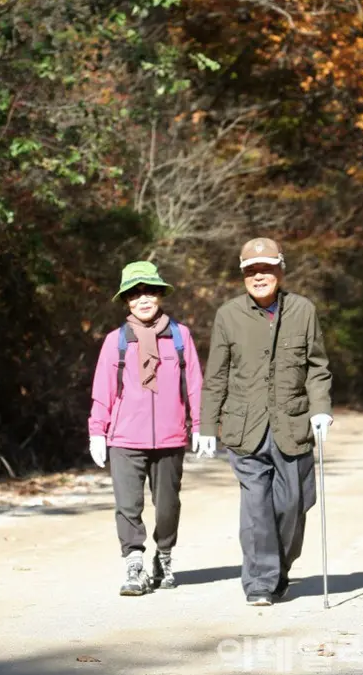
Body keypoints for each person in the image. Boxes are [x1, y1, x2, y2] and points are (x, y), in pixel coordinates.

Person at [198, 237, 333, 606]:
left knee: (294, 504)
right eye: (251, 271)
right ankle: (259, 582)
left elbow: (317, 367)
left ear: (281, 270)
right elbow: (216, 376)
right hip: (245, 428)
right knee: (256, 505)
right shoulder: (228, 315)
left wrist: (321, 408)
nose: (260, 276)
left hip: (293, 424)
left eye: (267, 269)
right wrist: (206, 426)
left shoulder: (303, 310)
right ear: (243, 275)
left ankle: (279, 568)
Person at [88, 260, 202, 596]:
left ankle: (163, 555)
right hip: (124, 438)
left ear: (160, 294)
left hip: (169, 437)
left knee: (168, 506)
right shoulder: (116, 341)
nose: (143, 299)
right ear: (126, 300)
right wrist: (97, 431)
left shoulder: (181, 337)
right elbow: (102, 389)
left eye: (149, 291)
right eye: (135, 293)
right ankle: (133, 563)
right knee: (128, 505)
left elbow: (194, 383)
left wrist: (200, 425)